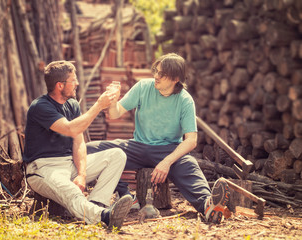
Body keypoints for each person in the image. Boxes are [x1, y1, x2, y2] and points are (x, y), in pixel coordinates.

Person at [87, 53, 230, 224]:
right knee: (91, 149)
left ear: (176, 78)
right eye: (156, 71)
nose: (156, 76)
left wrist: (167, 162)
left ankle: (208, 206)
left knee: (189, 165)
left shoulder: (185, 100)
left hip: (168, 150)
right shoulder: (143, 87)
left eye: (161, 74)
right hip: (137, 147)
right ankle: (126, 195)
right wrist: (112, 100)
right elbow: (115, 113)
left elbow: (191, 140)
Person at [23, 60, 133, 229]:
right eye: (73, 80)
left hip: (69, 164)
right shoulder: (40, 107)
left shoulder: (72, 105)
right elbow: (69, 129)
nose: (77, 83)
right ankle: (105, 217)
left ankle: (96, 204)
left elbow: (79, 142)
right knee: (72, 192)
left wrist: (81, 174)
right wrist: (98, 106)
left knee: (117, 155)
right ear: (60, 85)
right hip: (43, 168)